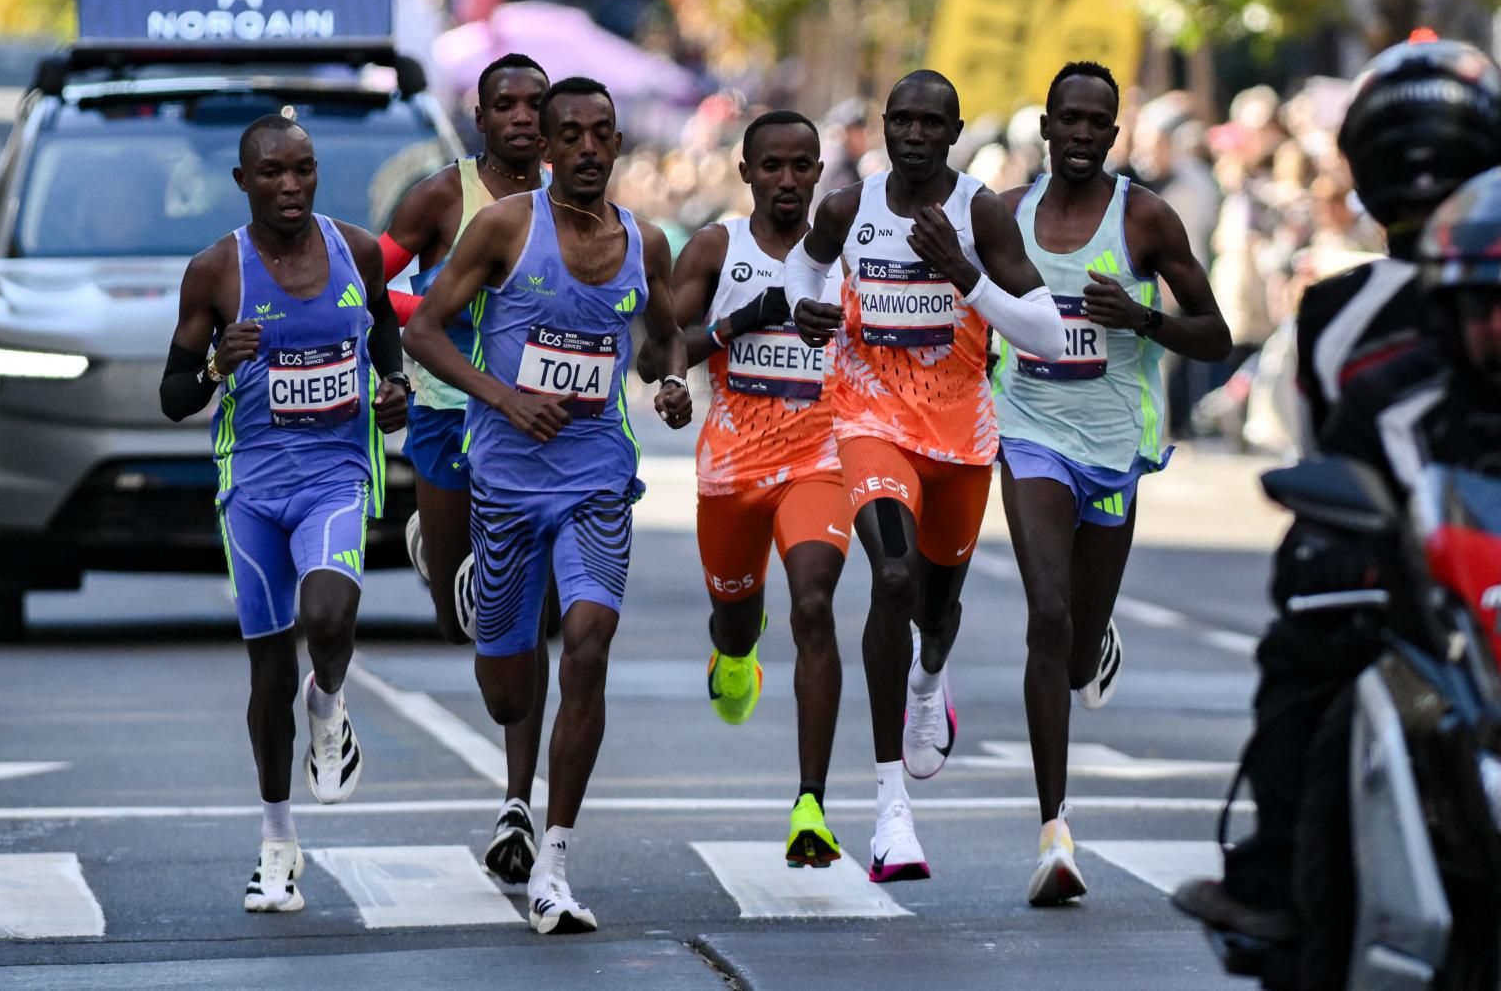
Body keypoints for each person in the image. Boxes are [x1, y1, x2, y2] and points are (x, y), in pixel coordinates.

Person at [1172, 35, 1501, 946]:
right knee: (1310, 652)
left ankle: (1275, 879)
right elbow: (1330, 455)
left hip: (1457, 569)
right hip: (1406, 572)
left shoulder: (1339, 308)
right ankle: (1279, 879)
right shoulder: (1341, 309)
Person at [403, 77, 691, 933]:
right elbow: (422, 328)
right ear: (551, 148)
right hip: (505, 482)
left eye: (605, 132)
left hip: (598, 477)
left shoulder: (646, 241)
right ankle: (455, 567)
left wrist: (672, 381)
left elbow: (664, 332)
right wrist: (502, 397)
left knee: (589, 644)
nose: (591, 148)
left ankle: (555, 859)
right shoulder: (503, 226)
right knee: (505, 689)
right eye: (575, 135)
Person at [786, 70, 1065, 882]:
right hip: (869, 422)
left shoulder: (979, 213)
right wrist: (811, 312)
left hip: (960, 439)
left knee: (935, 612)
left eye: (928, 123)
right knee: (895, 579)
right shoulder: (849, 207)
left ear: (953, 131)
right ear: (883, 127)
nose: (912, 134)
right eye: (899, 120)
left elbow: (1045, 331)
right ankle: (888, 813)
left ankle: (929, 677)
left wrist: (964, 273)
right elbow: (805, 271)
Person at [993, 61, 1231, 904]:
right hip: (1028, 435)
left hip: (1114, 447)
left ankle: (1100, 644)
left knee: (1079, 635)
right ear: (1047, 126)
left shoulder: (1146, 219)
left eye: (1100, 122)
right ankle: (1054, 830)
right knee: (1046, 616)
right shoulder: (1007, 215)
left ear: (1115, 134)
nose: (1084, 134)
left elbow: (1217, 335)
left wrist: (1145, 319)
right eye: (1071, 119)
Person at [159, 115, 410, 912]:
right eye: (272, 174)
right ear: (244, 183)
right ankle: (276, 843)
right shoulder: (215, 272)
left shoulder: (356, 251)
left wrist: (394, 386)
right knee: (267, 671)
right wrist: (213, 364)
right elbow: (172, 398)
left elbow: (383, 329)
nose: (291, 186)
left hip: (336, 475)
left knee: (329, 616)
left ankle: (329, 704)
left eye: (303, 170)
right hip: (253, 489)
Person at [636, 110, 850, 867]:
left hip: (822, 458)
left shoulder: (849, 252)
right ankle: (735, 650)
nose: (788, 181)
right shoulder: (717, 248)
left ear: (820, 173)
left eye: (802, 167)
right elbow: (655, 351)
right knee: (736, 617)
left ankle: (811, 804)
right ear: (747, 172)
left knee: (816, 604)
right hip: (732, 469)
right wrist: (737, 327)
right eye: (773, 167)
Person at [378, 52, 553, 884]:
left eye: (535, 104)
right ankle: (434, 547)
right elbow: (361, 284)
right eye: (506, 105)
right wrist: (383, 366)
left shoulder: (575, 201)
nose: (522, 117)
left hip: (535, 433)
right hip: (448, 416)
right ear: (480, 118)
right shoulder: (442, 197)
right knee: (461, 623)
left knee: (523, 618)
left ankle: (518, 798)